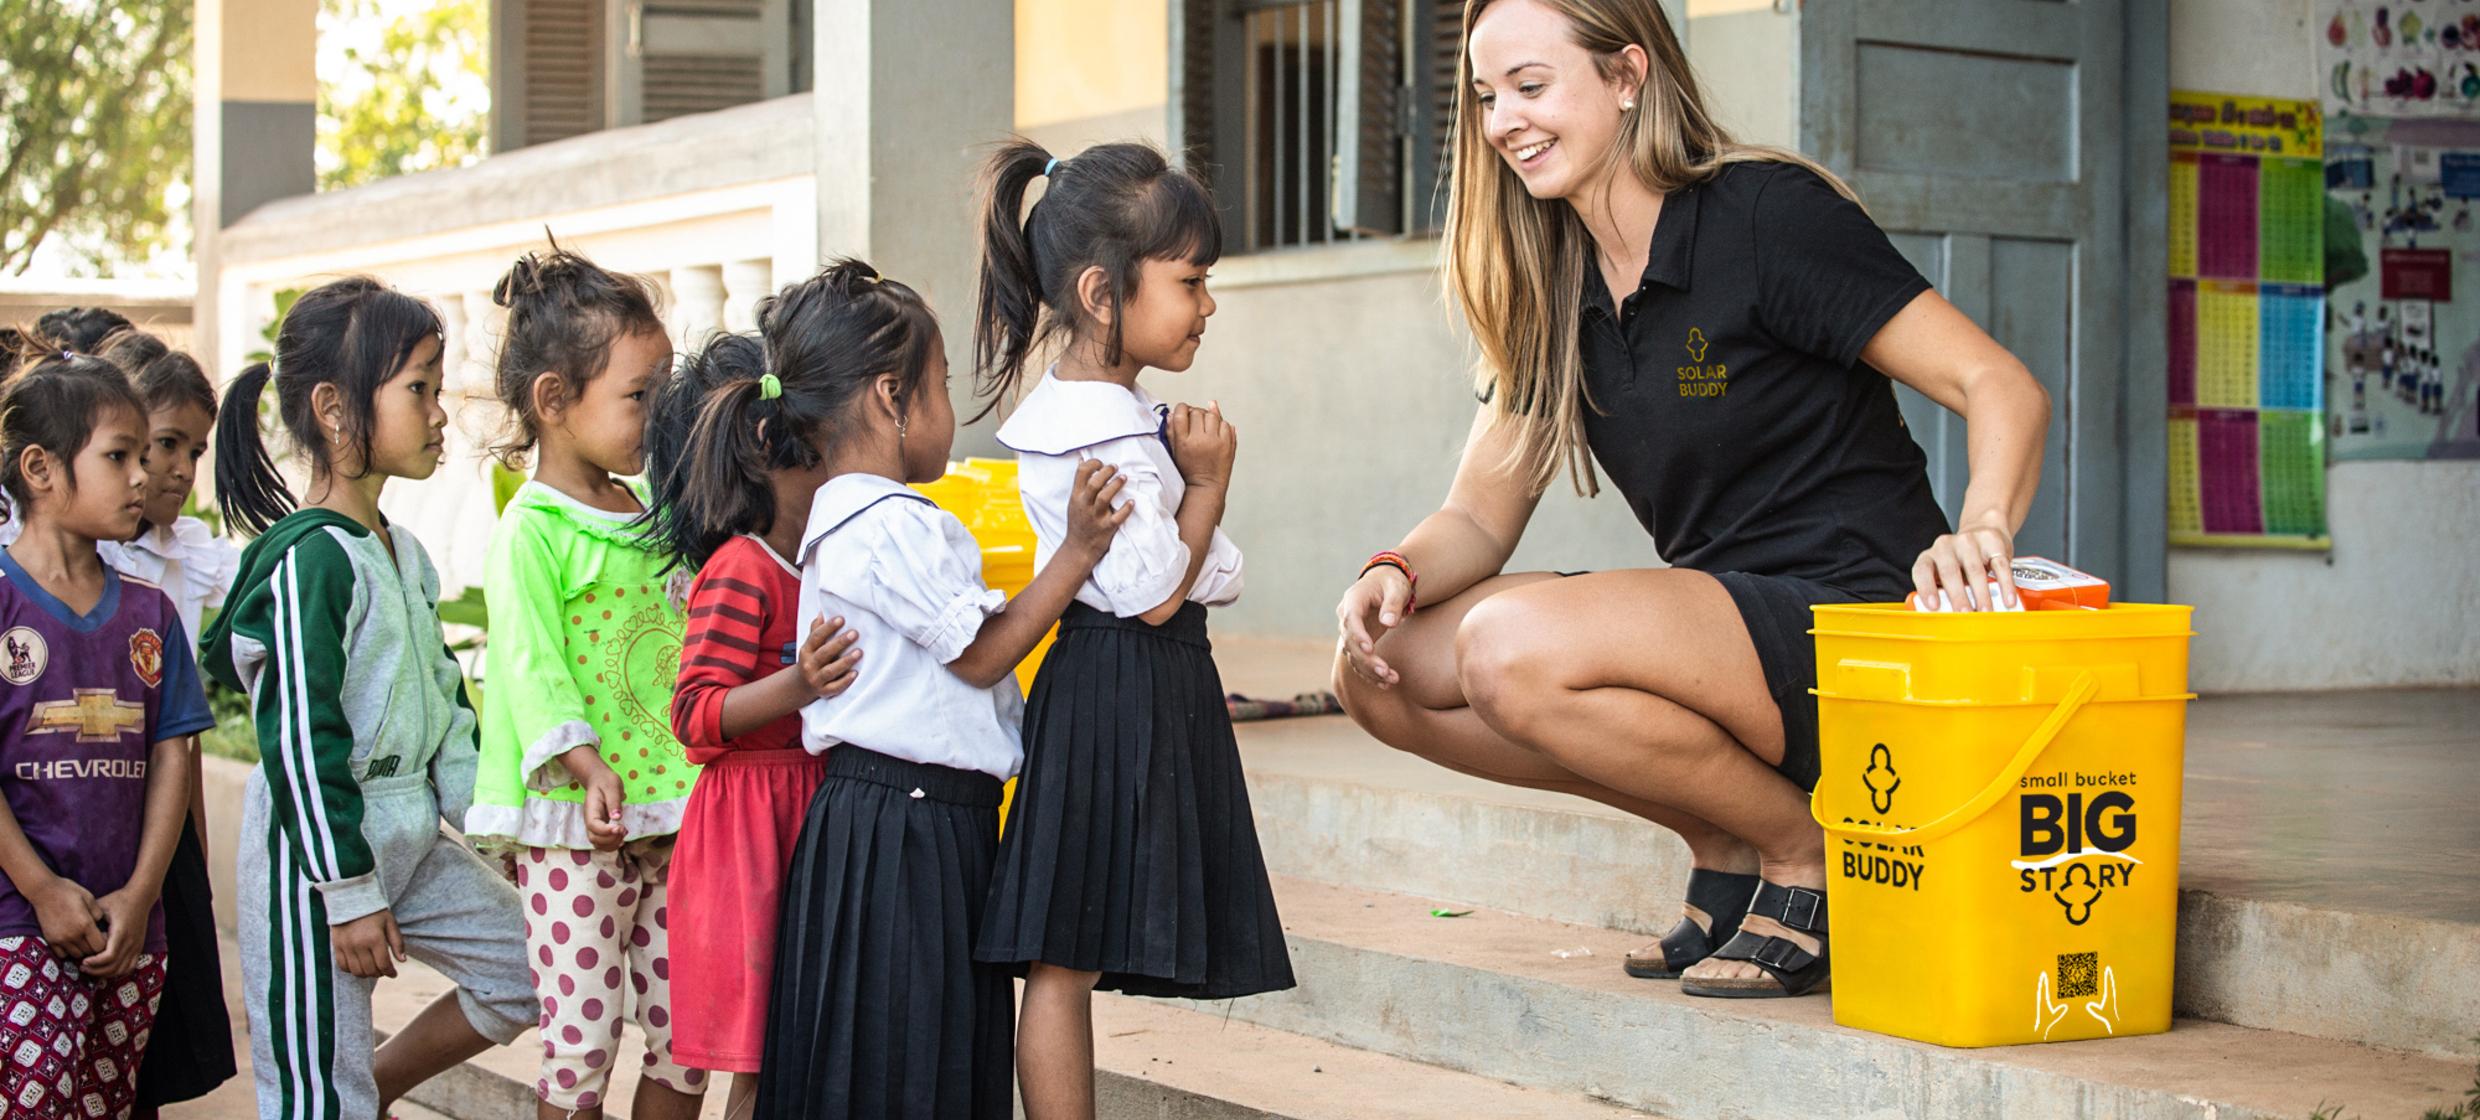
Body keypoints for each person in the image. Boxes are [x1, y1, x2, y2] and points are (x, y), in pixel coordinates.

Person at [1331, 0, 2053, 999]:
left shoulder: (1764, 215)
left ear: (1627, 76)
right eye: (1487, 97)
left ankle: (1804, 850)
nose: (1503, 123)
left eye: (1531, 87)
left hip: (1857, 625)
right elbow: (1479, 518)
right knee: (1377, 671)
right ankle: (1724, 834)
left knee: (1507, 648)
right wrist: (1393, 570)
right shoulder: (1554, 277)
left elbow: (1999, 383)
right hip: (1721, 632)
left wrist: (1982, 529)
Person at [754, 261, 1125, 1120]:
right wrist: (1077, 552)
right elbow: (982, 655)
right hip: (909, 834)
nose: (951, 408)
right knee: (917, 1058)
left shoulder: (840, 523)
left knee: (875, 1060)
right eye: (944, 385)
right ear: (892, 397)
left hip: (881, 821)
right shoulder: (894, 524)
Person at [970, 140, 1295, 1120]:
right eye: (1190, 281)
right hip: (1114, 691)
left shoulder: (1124, 414)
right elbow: (1160, 591)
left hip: (1143, 684)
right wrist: (1207, 485)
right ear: (1101, 293)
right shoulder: (1091, 432)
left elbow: (1216, 573)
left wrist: (1191, 514)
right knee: (1061, 953)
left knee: (1068, 949)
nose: (1207, 304)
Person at [203, 277, 536, 1118]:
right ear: (334, 408)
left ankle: (375, 1088)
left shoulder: (407, 554)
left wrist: (493, 834)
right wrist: (347, 894)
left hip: (410, 844)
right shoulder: (308, 561)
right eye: (419, 388)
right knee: (318, 1091)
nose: (439, 414)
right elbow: (300, 741)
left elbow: (449, 717)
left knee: (538, 968)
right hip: (315, 868)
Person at [463, 246, 708, 1119]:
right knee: (580, 1046)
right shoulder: (531, 531)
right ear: (554, 400)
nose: (658, 414)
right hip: (575, 828)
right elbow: (529, 664)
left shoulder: (654, 515)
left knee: (687, 1038)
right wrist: (585, 763)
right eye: (640, 395)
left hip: (668, 819)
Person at [642, 329, 859, 1118]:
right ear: (775, 444)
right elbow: (694, 713)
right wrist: (797, 684)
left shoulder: (820, 560)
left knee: (795, 1051)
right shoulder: (741, 569)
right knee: (765, 1060)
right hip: (750, 834)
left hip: (802, 809)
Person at [0, 351, 208, 1120]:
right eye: (119, 457)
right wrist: (42, 889)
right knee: (42, 1098)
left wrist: (143, 893)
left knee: (106, 1105)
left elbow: (171, 757)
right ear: (40, 469)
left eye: (143, 456)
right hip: (17, 920)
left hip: (131, 931)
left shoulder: (151, 613)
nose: (142, 476)